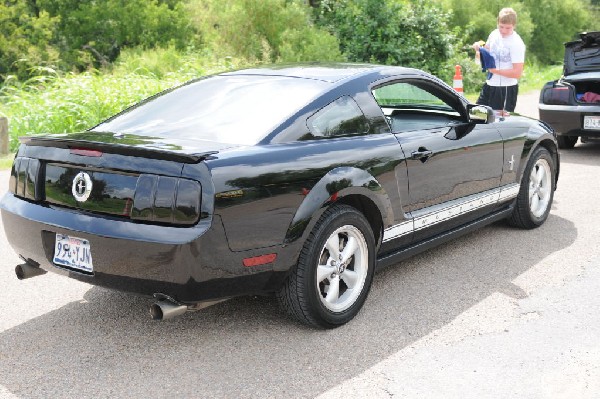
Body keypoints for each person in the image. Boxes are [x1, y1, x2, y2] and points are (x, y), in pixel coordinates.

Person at [473, 7, 525, 113]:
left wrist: (494, 70)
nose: (504, 31)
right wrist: (478, 49)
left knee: (499, 124)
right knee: (477, 116)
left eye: (508, 28)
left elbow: (517, 73)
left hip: (505, 88)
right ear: (497, 23)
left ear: (514, 26)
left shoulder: (516, 43)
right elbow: (485, 55)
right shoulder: (494, 34)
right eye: (501, 27)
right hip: (490, 84)